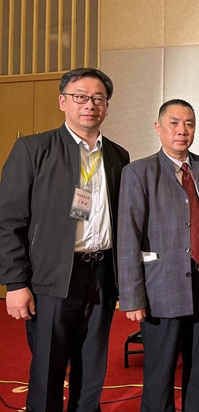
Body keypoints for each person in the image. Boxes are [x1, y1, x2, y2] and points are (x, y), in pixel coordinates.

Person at [0, 68, 130, 411]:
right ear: (63, 101)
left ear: (106, 106)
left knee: (92, 366)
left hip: (102, 275)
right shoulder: (33, 149)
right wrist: (16, 283)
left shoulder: (118, 156)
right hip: (53, 274)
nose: (90, 105)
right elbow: (8, 221)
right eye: (80, 97)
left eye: (98, 98)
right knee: (49, 366)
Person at [117, 99, 199, 412]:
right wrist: (132, 297)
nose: (182, 130)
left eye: (189, 124)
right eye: (174, 123)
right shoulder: (139, 172)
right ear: (158, 128)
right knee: (160, 370)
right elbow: (128, 237)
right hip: (160, 286)